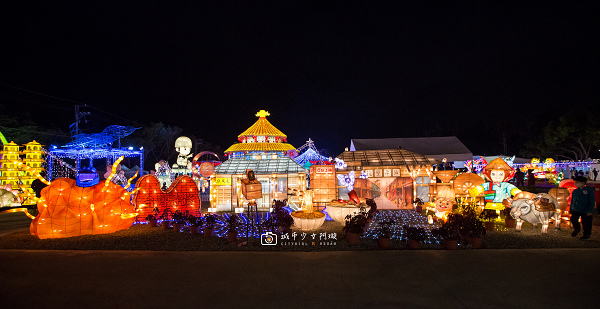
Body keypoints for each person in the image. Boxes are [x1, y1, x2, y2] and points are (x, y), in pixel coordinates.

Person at [570, 176, 596, 240]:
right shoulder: (575, 191)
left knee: (586, 223)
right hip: (576, 209)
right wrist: (571, 209)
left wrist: (590, 210)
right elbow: (573, 201)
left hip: (586, 210)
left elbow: (592, 201)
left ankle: (586, 235)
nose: (575, 183)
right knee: (573, 219)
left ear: (582, 183)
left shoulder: (589, 190)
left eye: (577, 182)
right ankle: (577, 228)